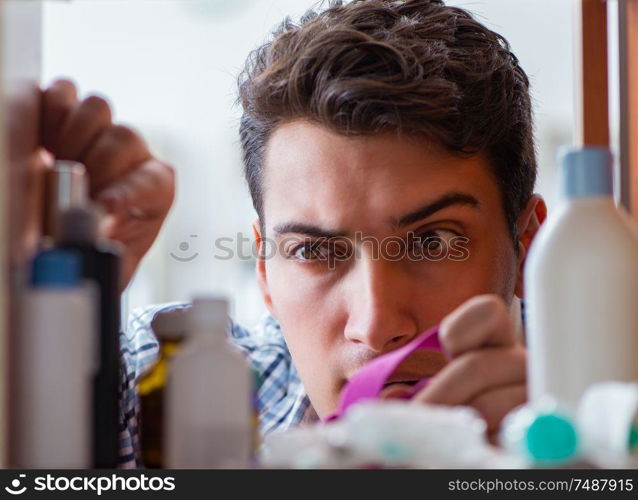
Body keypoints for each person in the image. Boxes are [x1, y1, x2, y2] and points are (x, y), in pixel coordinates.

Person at [39, 0, 547, 468]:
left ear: (527, 249)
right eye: (314, 250)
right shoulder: (166, 389)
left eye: (433, 241)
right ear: (263, 269)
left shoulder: (609, 424)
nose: (375, 326)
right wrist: (48, 311)